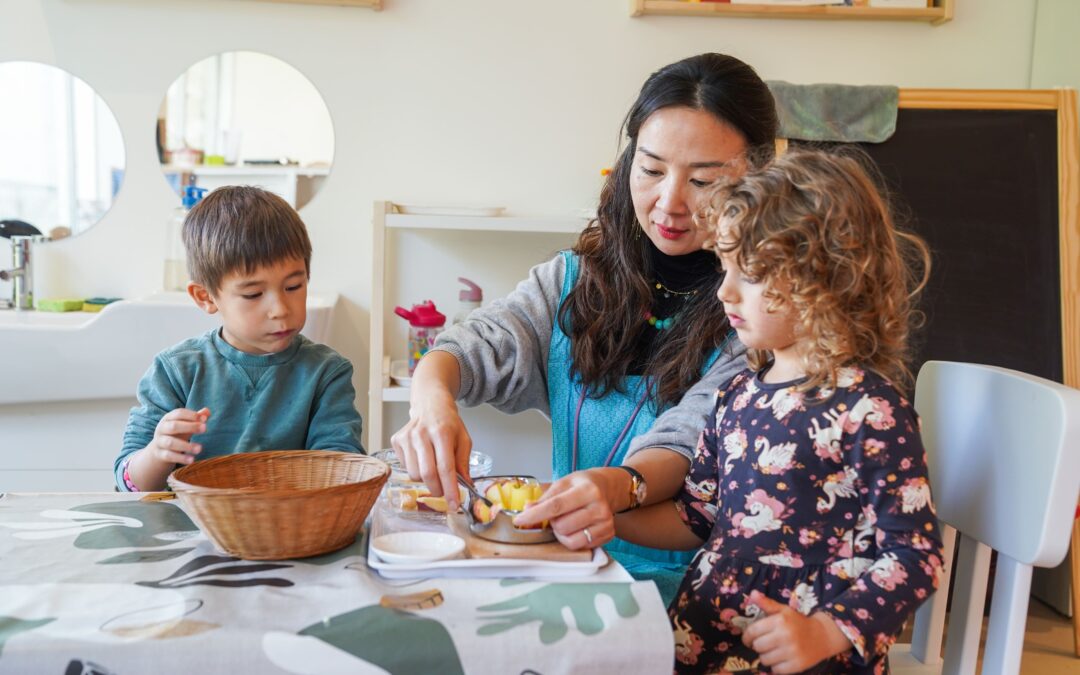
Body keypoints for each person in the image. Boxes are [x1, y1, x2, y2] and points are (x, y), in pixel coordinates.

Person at [392, 53, 778, 600]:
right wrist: (431, 400)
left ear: (758, 177)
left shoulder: (758, 311)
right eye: (650, 169)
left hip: (698, 593)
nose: (669, 202)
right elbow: (477, 344)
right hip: (567, 568)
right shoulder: (574, 279)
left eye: (704, 180)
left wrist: (610, 488)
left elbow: (688, 442)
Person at [617, 149, 944, 673]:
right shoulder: (737, 395)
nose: (724, 291)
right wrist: (605, 519)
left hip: (808, 658)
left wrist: (824, 632)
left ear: (824, 277)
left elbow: (915, 557)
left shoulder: (871, 410)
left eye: (748, 273)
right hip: (707, 644)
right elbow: (696, 516)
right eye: (724, 268)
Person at [114, 186, 364, 492]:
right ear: (205, 297)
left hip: (290, 530)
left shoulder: (326, 372)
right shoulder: (176, 371)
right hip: (190, 530)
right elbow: (129, 482)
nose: (280, 310)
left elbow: (342, 472)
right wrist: (157, 453)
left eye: (294, 286)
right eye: (253, 294)